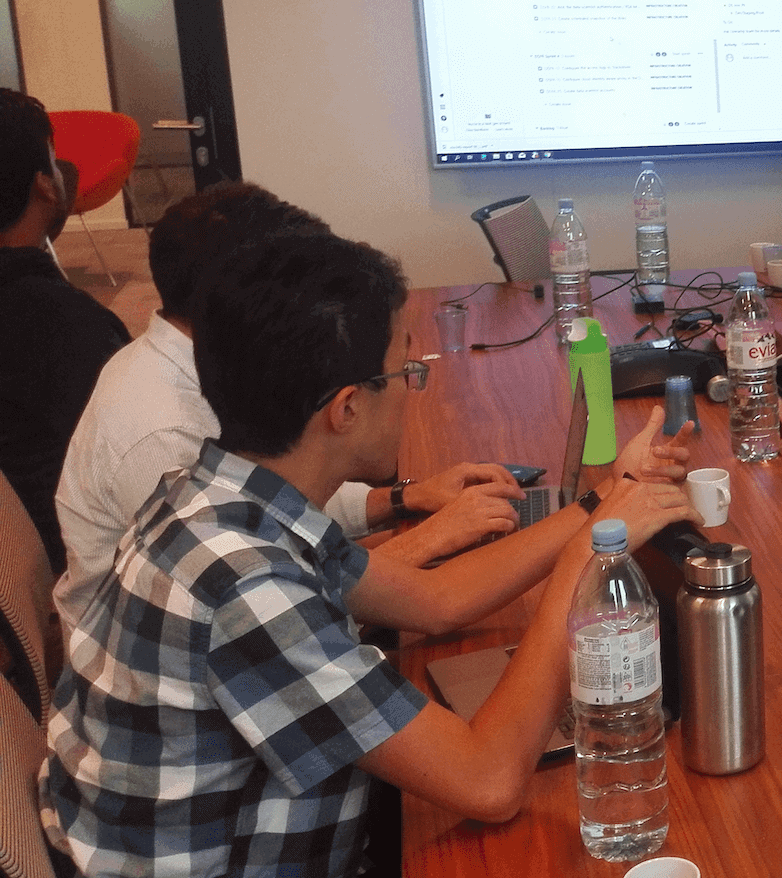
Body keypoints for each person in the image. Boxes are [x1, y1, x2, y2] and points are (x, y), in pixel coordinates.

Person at [41, 229, 696, 877]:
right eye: (405, 373)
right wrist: (589, 561)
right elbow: (490, 781)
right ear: (347, 408)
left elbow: (437, 600)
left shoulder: (224, 497)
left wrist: (605, 502)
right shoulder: (244, 583)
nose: (412, 388)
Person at [53, 182, 523, 632]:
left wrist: (405, 499)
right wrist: (426, 538)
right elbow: (259, 591)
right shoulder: (163, 430)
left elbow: (286, 501)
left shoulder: (215, 373)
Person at [0, 88, 129, 573]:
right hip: (75, 565)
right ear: (45, 186)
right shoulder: (69, 326)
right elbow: (141, 465)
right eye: (55, 163)